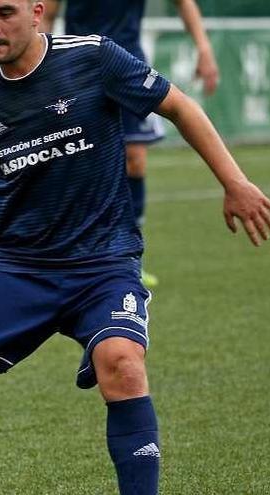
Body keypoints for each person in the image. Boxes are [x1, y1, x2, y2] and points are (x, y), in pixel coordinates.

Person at [0, 1, 270, 494]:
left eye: (4, 13)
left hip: (103, 262)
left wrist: (235, 182)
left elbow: (179, 105)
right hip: (19, 268)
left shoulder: (95, 58)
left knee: (122, 362)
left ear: (37, 13)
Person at [40, 0, 220, 287]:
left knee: (135, 157)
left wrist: (204, 48)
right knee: (75, 160)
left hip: (127, 63)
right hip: (77, 66)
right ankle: (69, 253)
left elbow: (184, 3)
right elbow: (46, 13)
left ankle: (129, 258)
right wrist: (43, 65)